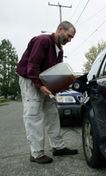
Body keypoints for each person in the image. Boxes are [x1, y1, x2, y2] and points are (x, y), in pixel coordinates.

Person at [16, 21, 78, 164]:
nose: (69, 40)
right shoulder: (43, 41)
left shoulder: (60, 50)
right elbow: (33, 65)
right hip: (30, 79)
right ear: (60, 29)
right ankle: (36, 153)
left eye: (72, 38)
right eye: (69, 36)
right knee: (34, 114)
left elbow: (56, 73)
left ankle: (58, 147)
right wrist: (39, 86)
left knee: (52, 112)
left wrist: (59, 86)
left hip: (44, 81)